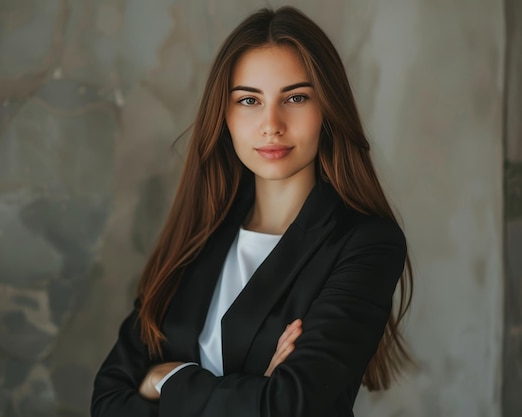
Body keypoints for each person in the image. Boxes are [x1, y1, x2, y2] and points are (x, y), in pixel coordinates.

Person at [91, 6, 413, 417]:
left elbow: (290, 405)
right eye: (248, 100)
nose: (271, 124)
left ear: (327, 109)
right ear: (224, 115)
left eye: (295, 98)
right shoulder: (199, 233)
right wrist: (253, 392)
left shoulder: (366, 243)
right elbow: (107, 403)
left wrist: (163, 381)